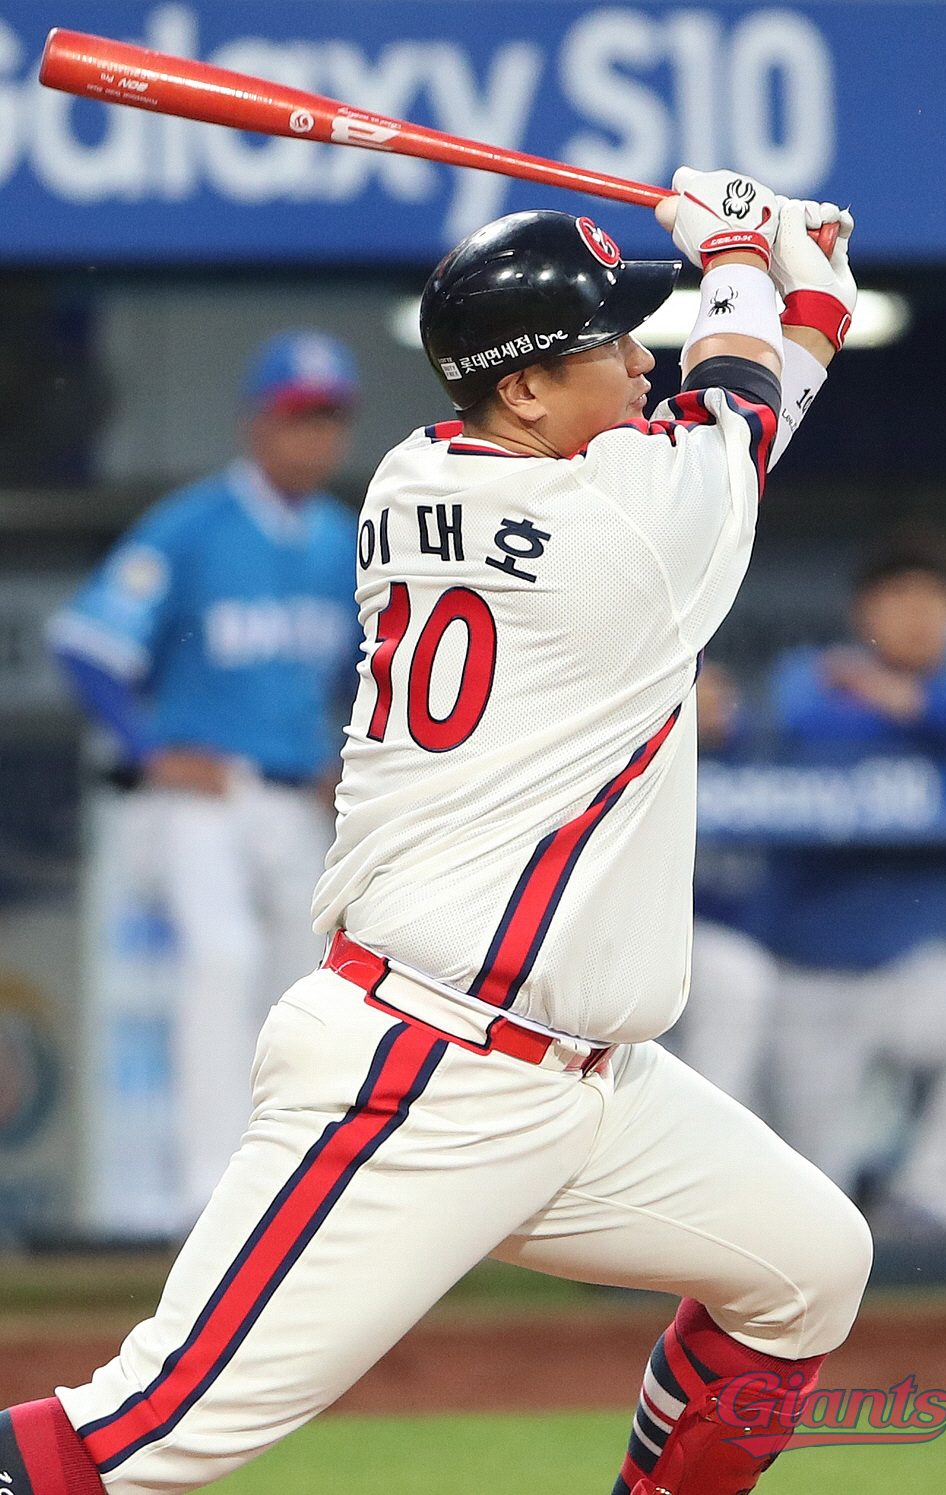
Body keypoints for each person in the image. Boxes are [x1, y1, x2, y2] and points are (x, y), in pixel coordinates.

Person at [3, 173, 871, 1495]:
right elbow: (729, 420)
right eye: (608, 343)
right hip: (427, 1066)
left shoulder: (422, 476)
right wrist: (749, 262)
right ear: (523, 390)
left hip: (587, 1079)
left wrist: (798, 306)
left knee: (809, 1264)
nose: (640, 361)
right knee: (135, 1436)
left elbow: (722, 446)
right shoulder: (616, 528)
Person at [47, 331, 362, 1225]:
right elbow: (87, 644)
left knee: (307, 985)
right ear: (257, 423)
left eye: (329, 417)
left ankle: (294, 1181)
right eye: (299, 416)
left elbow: (369, 669)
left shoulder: (343, 536)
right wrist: (148, 747)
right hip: (203, 795)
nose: (314, 435)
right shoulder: (193, 524)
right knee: (221, 960)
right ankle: (208, 1190)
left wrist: (347, 757)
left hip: (295, 797)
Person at [767, 525, 946, 1233]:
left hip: (915, 970)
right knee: (813, 1199)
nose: (917, 616)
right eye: (898, 599)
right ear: (862, 610)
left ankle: (935, 1197)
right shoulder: (814, 675)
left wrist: (918, 705)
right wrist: (925, 722)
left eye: (935, 601)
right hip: (808, 977)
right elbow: (807, 722)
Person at [669, 661, 779, 1112]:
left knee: (737, 978)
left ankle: (706, 1134)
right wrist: (671, 721)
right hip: (617, 934)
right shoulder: (621, 741)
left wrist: (729, 729)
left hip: (721, 942)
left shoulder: (754, 752)